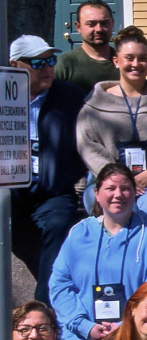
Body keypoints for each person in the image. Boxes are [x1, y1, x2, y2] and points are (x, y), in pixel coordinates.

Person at [49, 163, 147, 340]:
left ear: (135, 193)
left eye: (126, 188)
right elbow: (60, 286)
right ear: (96, 193)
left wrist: (126, 326)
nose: (118, 195)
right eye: (110, 188)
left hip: (136, 335)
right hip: (81, 337)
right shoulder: (79, 233)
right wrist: (85, 326)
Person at [76, 26, 147, 232]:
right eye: (129, 58)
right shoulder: (96, 102)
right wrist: (118, 177)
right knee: (110, 210)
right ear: (116, 61)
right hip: (106, 174)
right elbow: (87, 144)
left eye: (143, 58)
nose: (136, 64)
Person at [9, 34, 87, 302]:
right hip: (10, 189)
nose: (48, 68)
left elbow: (86, 143)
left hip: (53, 189)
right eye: (38, 63)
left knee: (58, 225)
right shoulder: (4, 97)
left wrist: (70, 175)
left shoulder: (70, 98)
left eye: (51, 61)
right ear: (16, 65)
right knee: (11, 231)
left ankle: (43, 306)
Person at [54, 0, 118, 88]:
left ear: (112, 24)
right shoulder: (64, 64)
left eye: (104, 23)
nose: (99, 29)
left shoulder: (125, 63)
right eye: (91, 24)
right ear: (78, 27)